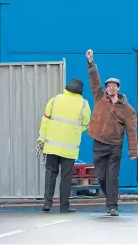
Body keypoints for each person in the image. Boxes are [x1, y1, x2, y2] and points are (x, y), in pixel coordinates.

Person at [86, 49, 138, 217]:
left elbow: (131, 130)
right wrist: (91, 63)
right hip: (99, 143)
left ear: (118, 88)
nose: (110, 87)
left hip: (115, 146)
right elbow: (95, 82)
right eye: (108, 85)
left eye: (113, 86)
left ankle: (112, 206)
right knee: (101, 177)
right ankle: (111, 198)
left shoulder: (127, 109)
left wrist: (133, 150)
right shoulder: (100, 97)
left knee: (112, 177)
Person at [36, 78, 91, 213]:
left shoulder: (55, 99)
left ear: (67, 88)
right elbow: (86, 123)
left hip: (52, 145)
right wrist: (74, 131)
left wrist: (42, 139)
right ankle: (64, 206)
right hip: (70, 147)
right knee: (66, 177)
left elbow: (45, 120)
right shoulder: (84, 104)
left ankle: (47, 203)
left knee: (50, 174)